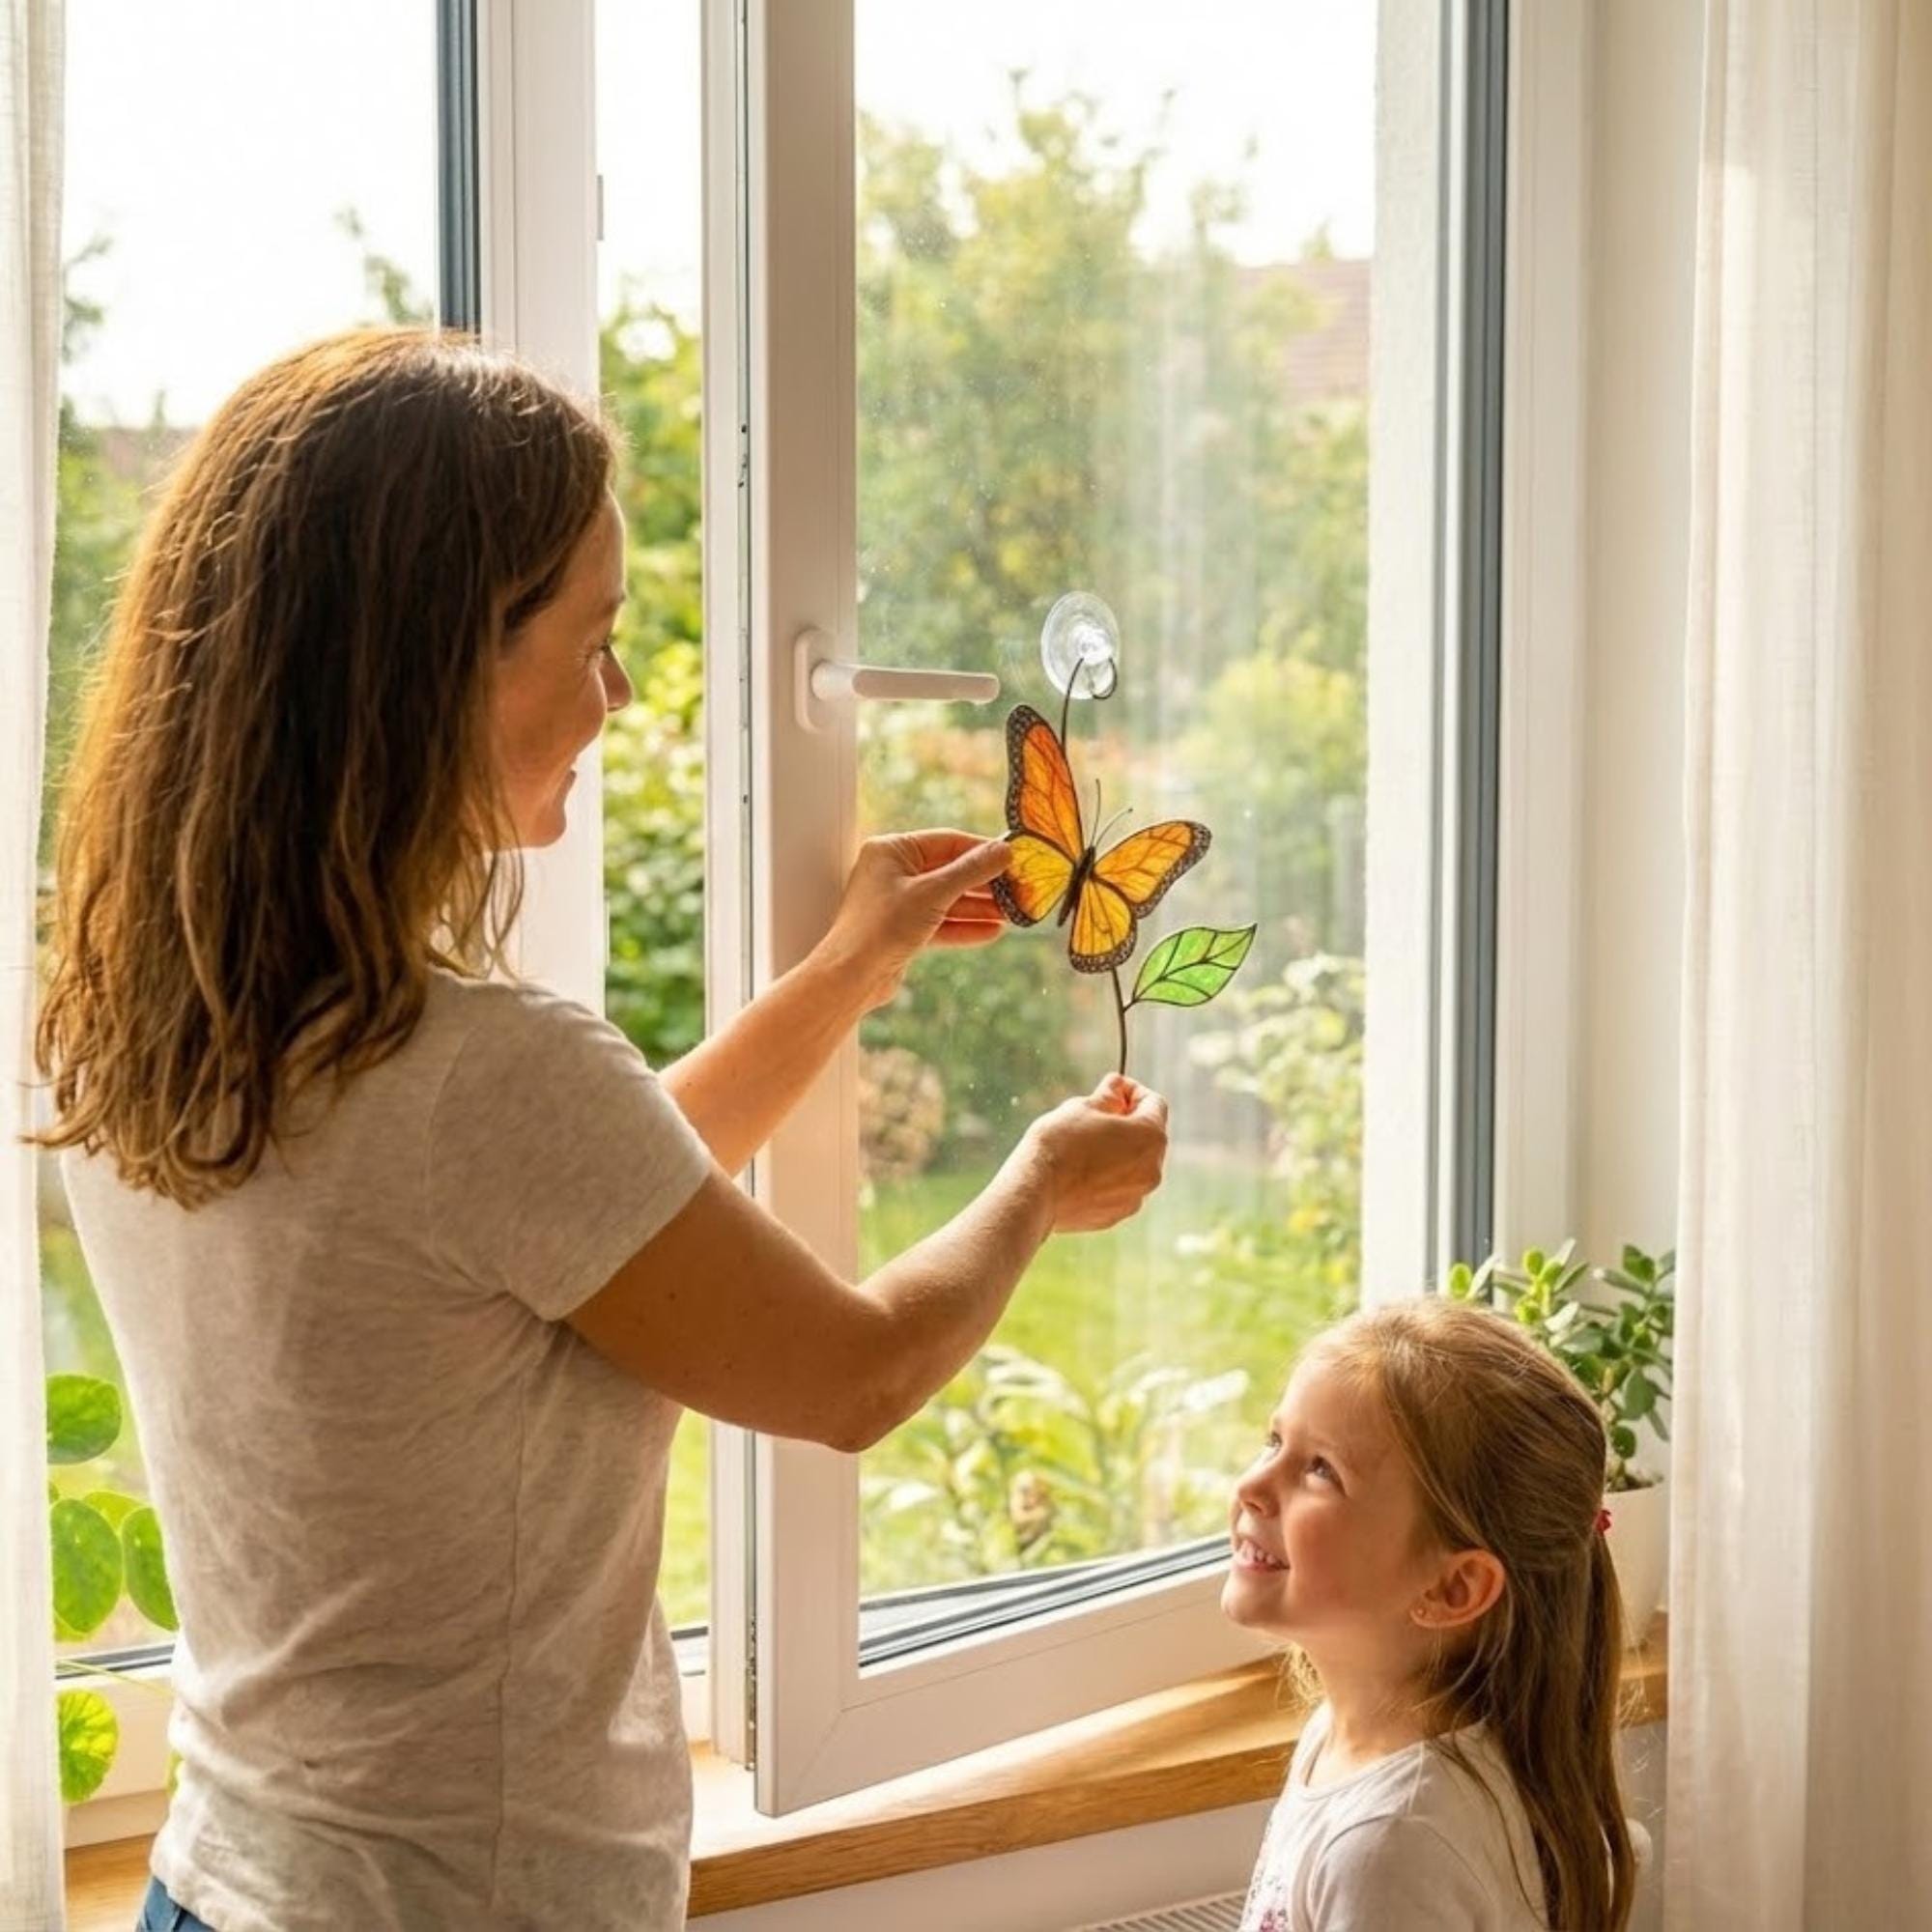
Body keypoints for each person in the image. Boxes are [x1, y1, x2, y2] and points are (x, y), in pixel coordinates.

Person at [34, 327, 1169, 1932]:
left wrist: (845, 972)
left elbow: (576, 1228)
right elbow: (848, 1374)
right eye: (594, 640)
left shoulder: (142, 1015)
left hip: (224, 1881)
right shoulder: (473, 1072)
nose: (622, 696)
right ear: (435, 669)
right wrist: (1041, 1181)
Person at [1222, 1298, 1636, 1931]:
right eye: (1275, 1440)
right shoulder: (1343, 1737)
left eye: (1320, 1471)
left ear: (1452, 1588)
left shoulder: (1391, 1845)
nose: (1253, 1485)